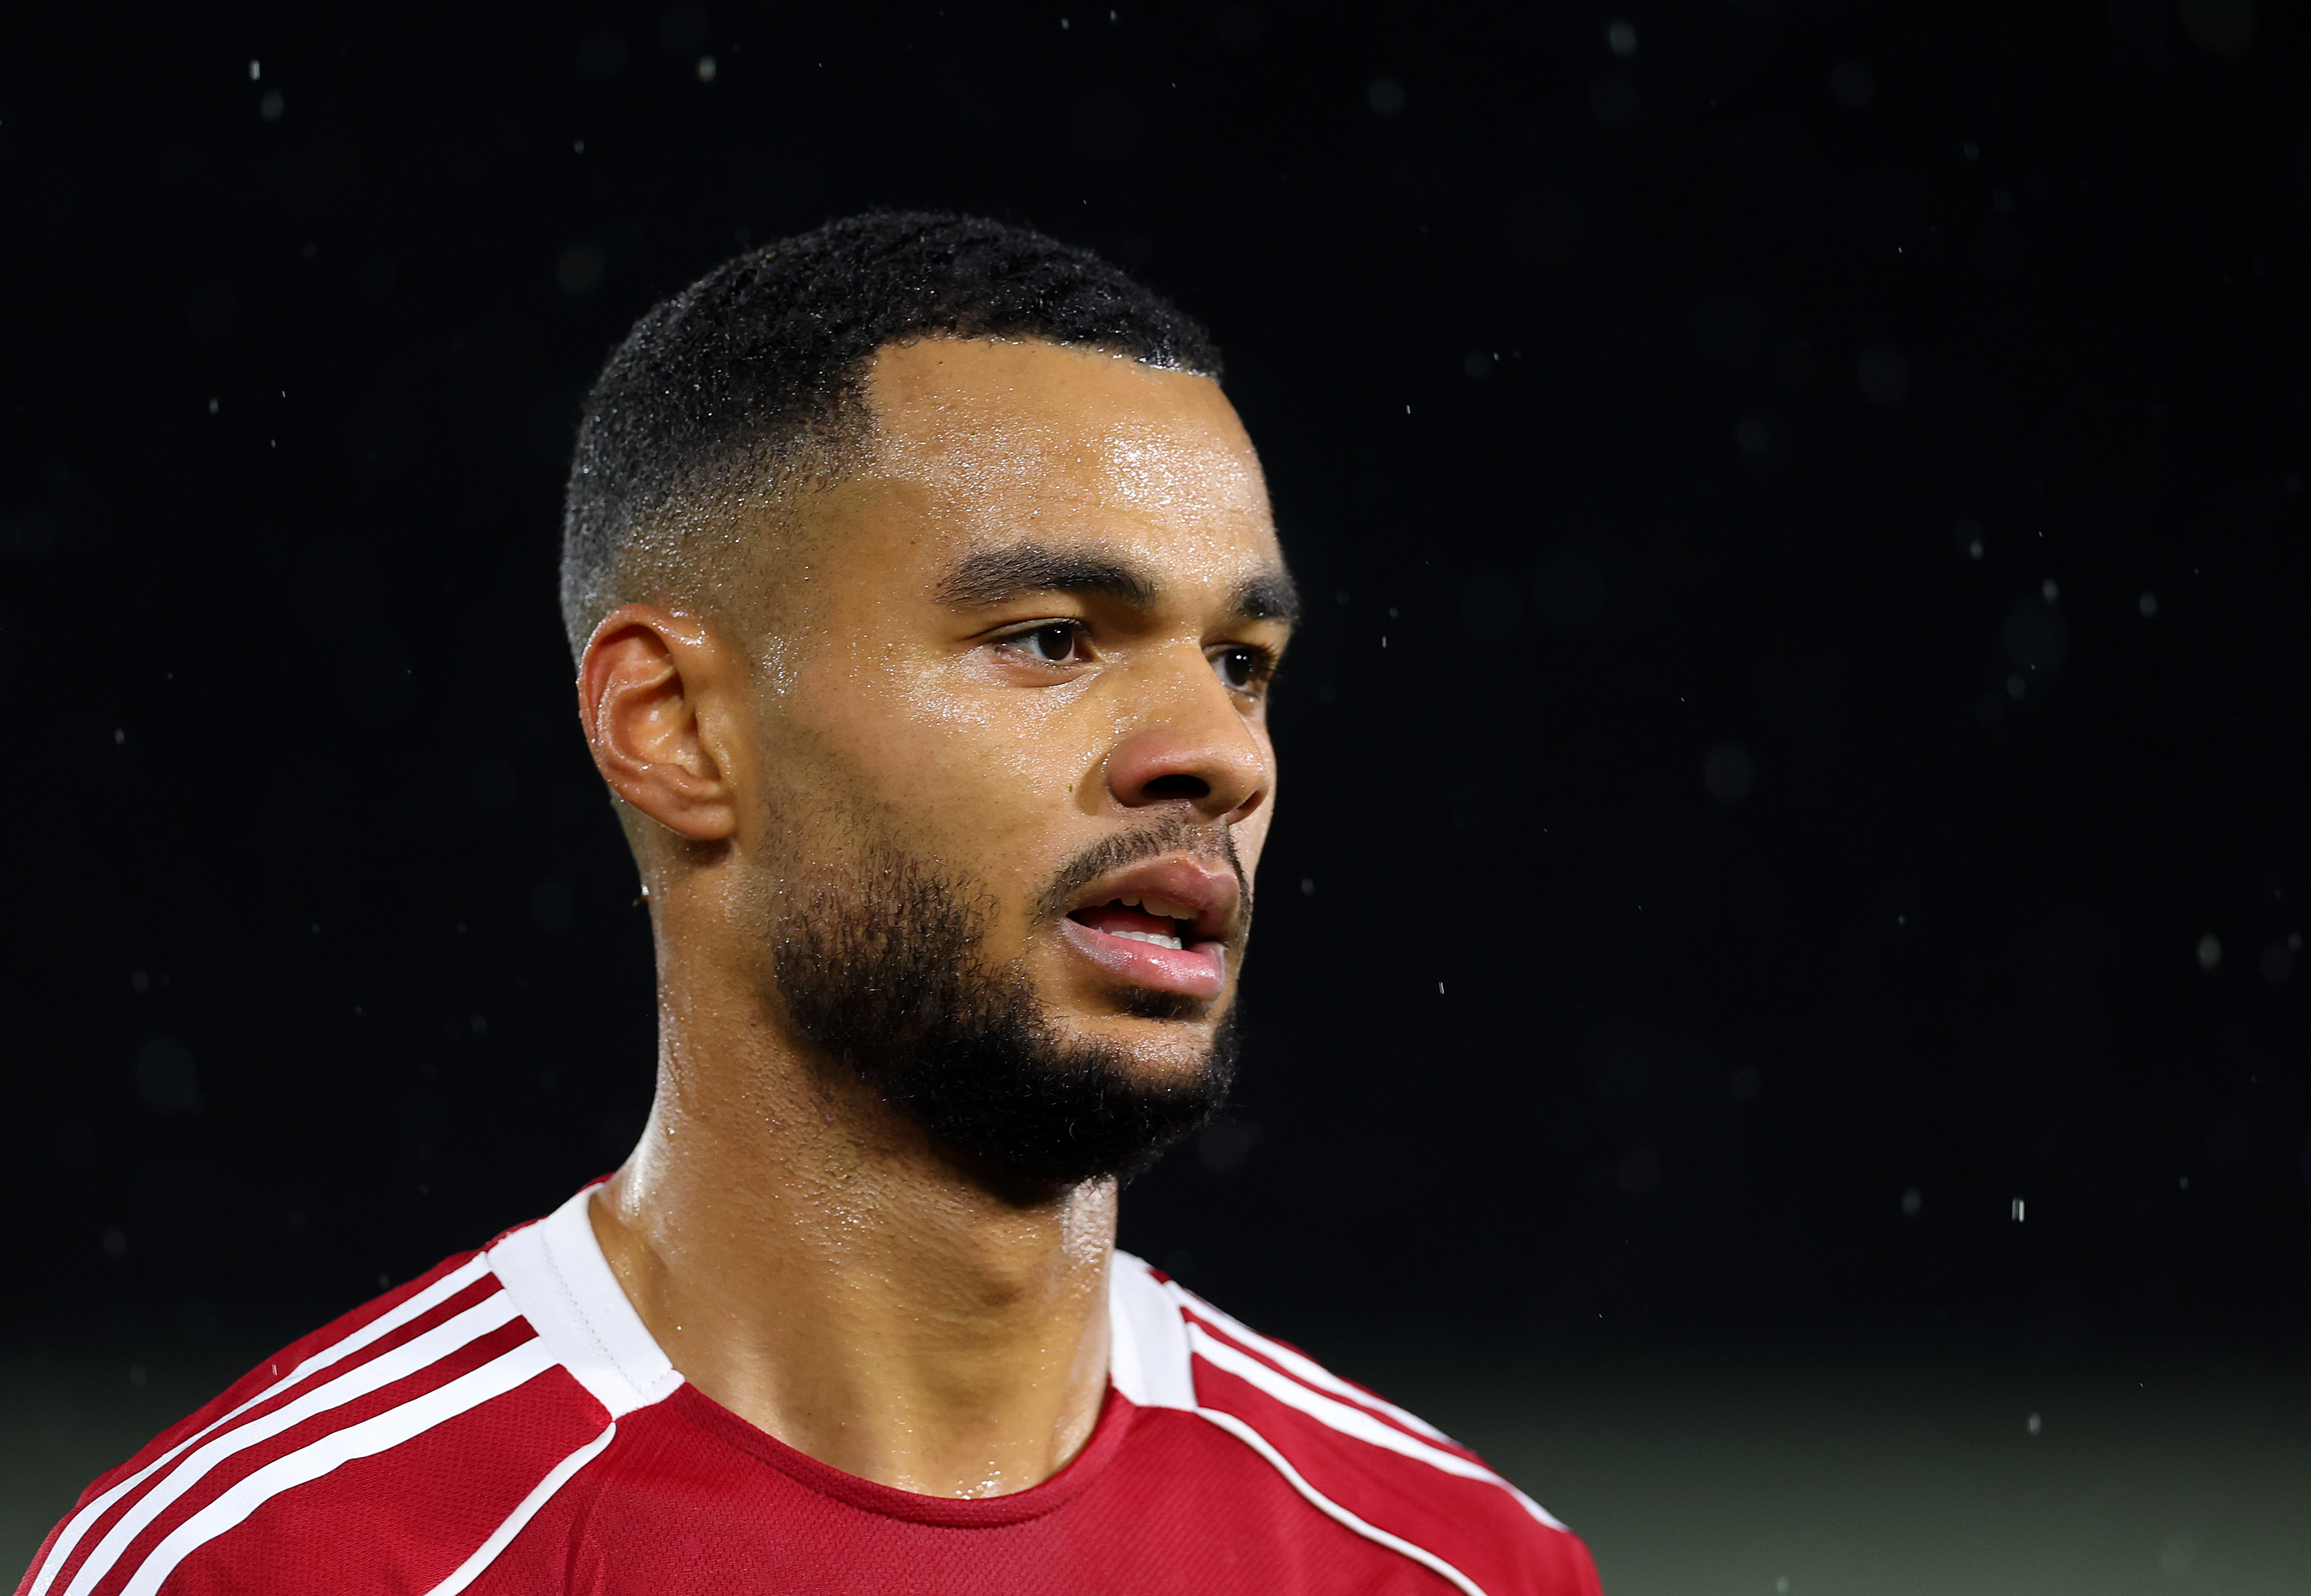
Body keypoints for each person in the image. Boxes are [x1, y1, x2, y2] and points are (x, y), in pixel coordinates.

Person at [22, 213, 1602, 1596]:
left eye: (1240, 663)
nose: (1214, 756)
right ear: (674, 726)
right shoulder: (274, 1569)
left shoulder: (1458, 1567)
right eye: (1052, 637)